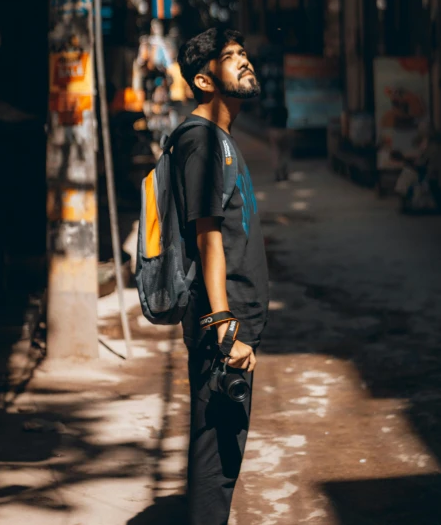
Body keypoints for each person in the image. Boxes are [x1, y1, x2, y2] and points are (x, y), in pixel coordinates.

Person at [174, 28, 269, 525]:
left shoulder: (221, 138)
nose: (244, 61)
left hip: (233, 325)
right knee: (217, 458)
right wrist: (223, 321)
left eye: (243, 53)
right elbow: (207, 235)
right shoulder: (201, 142)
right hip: (223, 329)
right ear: (203, 80)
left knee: (225, 453)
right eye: (229, 57)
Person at [266, 91, 290, 182]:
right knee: (284, 153)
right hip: (283, 131)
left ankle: (277, 172)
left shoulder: (272, 109)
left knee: (275, 152)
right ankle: (285, 171)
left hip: (274, 131)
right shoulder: (284, 109)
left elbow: (268, 120)